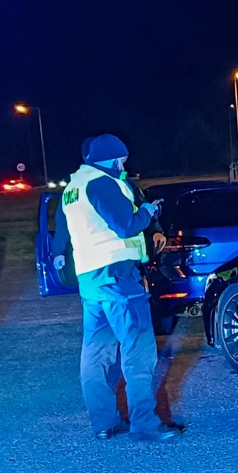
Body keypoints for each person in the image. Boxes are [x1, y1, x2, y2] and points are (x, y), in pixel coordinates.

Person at [52, 134, 184, 442]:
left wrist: (59, 255)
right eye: (122, 161)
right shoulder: (101, 183)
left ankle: (104, 423)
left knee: (96, 352)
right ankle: (145, 423)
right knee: (138, 349)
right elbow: (126, 225)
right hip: (118, 276)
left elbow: (62, 230)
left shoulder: (73, 188)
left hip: (90, 278)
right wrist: (148, 212)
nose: (124, 166)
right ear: (114, 160)